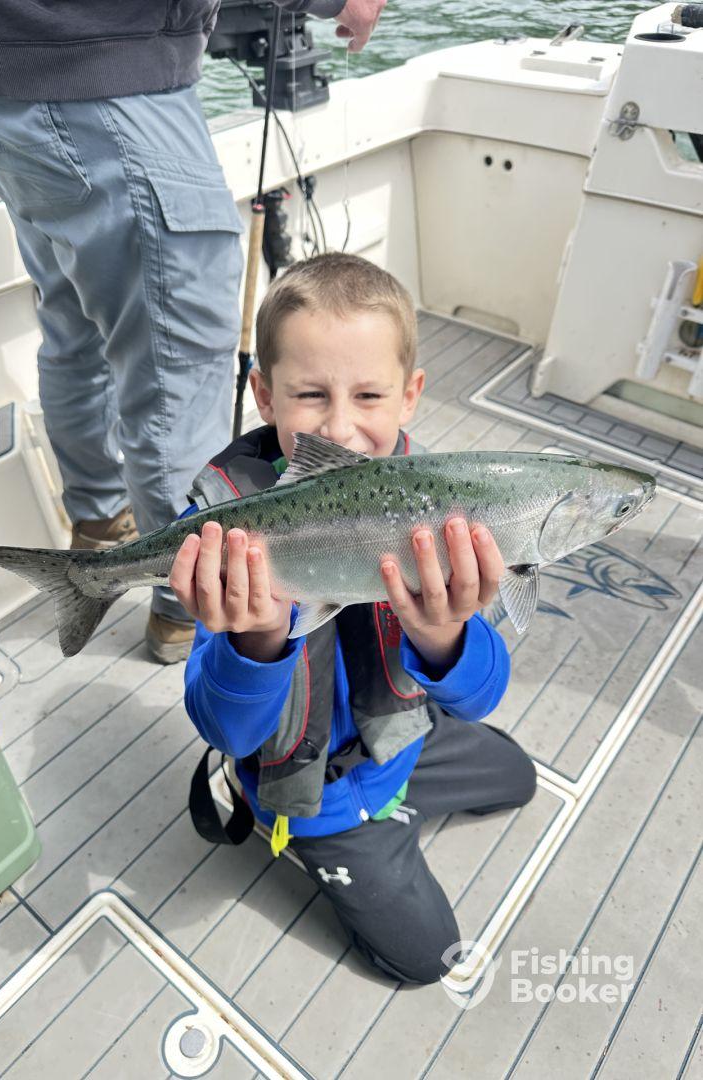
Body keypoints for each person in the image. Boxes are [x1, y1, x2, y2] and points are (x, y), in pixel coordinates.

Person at [0, 0, 387, 663]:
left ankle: (99, 526)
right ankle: (189, 601)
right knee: (178, 366)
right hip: (103, 81)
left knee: (76, 325)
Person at [169, 253, 538, 985]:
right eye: (310, 395)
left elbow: (478, 697)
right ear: (264, 396)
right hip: (315, 792)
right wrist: (257, 638)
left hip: (400, 744)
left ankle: (397, 800)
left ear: (410, 397)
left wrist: (444, 636)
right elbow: (228, 729)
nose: (340, 427)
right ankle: (314, 833)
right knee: (426, 959)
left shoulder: (435, 504)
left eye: (369, 395)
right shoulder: (222, 528)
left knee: (518, 777)